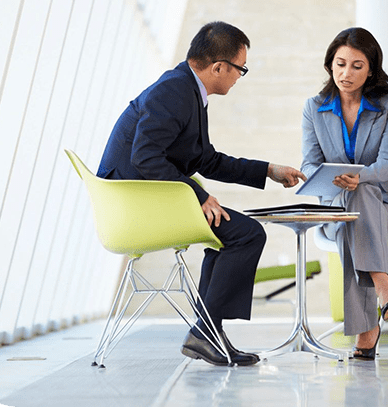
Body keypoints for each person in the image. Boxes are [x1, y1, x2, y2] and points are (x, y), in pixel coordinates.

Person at [97, 21, 306, 366]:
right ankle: (206, 332)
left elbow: (204, 160)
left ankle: (208, 331)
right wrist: (197, 196)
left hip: (146, 198)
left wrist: (269, 170)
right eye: (241, 69)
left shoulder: (186, 90)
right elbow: (145, 156)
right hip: (135, 206)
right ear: (219, 67)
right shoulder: (175, 91)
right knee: (246, 234)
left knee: (230, 235)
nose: (240, 77)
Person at [301, 27, 388, 359]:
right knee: (352, 212)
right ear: (330, 65)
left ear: (371, 69)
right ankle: (385, 292)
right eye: (340, 64)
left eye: (357, 65)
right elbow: (310, 165)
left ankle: (367, 331)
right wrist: (336, 179)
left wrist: (358, 179)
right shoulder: (315, 108)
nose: (346, 73)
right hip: (338, 210)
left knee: (360, 200)